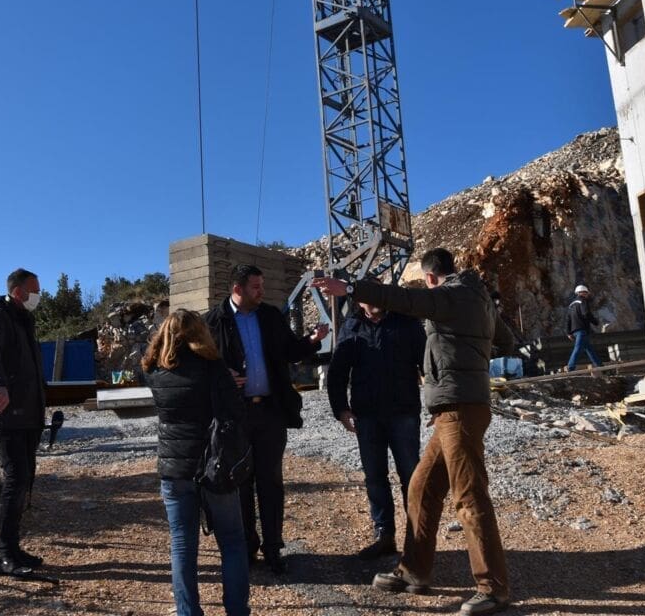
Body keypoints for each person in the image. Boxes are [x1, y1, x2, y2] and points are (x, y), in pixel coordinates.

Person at [312, 248, 515, 615]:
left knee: (469, 497)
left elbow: (406, 300)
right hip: (454, 408)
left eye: (425, 282)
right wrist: (469, 353)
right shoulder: (479, 298)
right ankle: (414, 570)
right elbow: (506, 340)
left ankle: (493, 588)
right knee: (421, 488)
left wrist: (352, 288)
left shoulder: (450, 296)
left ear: (431, 277)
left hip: (459, 407)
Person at [204, 264, 329, 575]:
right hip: (235, 417)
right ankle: (247, 548)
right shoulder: (213, 321)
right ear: (238, 289)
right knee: (240, 482)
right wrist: (221, 375)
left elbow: (289, 351)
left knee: (271, 482)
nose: (262, 291)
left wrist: (312, 340)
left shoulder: (270, 316)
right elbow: (201, 365)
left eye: (261, 285)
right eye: (256, 287)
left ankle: (273, 548)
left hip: (270, 413)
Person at [145, 309, 250, 616]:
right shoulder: (213, 367)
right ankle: (236, 611)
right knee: (232, 541)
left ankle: (188, 612)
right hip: (213, 464)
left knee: (181, 545)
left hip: (174, 467)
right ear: (200, 333)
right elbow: (234, 411)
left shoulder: (153, 370)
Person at [327, 300, 426, 559]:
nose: (374, 301)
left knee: (411, 475)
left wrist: (440, 404)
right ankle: (384, 535)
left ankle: (418, 537)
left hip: (403, 412)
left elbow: (428, 364)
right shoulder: (352, 326)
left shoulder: (406, 322)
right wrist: (341, 409)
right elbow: (337, 372)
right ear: (359, 301)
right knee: (374, 477)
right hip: (367, 415)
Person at [0, 268, 46, 576]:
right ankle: (4, 554)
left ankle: (14, 548)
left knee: (24, 481)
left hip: (28, 414)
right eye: (35, 290)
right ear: (19, 291)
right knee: (14, 482)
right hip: (7, 415)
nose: (38, 296)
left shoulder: (22, 319)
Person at [565, 284, 601, 371]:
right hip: (582, 330)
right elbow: (586, 313)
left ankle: (599, 365)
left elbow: (568, 319)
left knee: (589, 349)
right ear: (582, 293)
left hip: (575, 331)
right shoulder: (583, 301)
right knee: (578, 348)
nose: (587, 295)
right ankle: (570, 366)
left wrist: (568, 332)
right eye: (586, 293)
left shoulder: (571, 305)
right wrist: (595, 322)